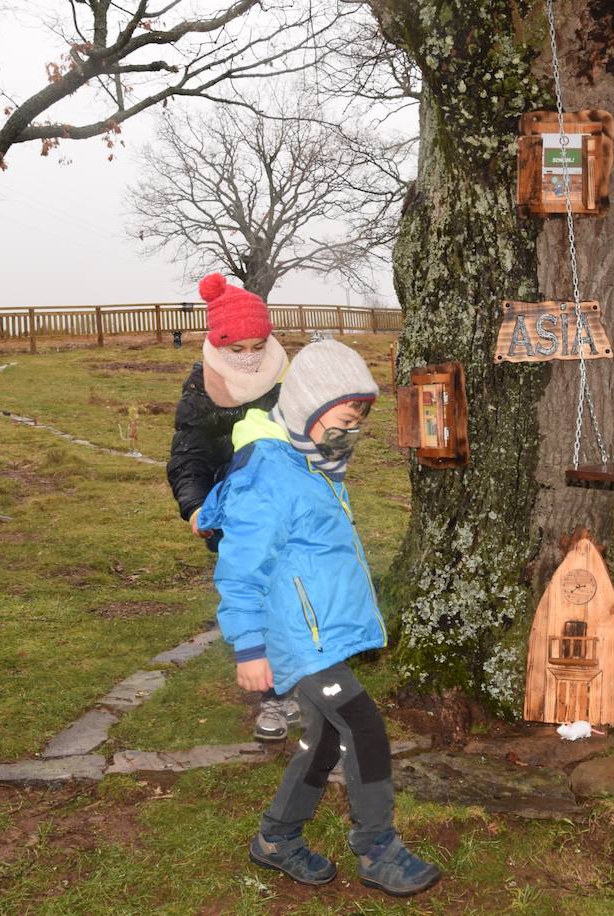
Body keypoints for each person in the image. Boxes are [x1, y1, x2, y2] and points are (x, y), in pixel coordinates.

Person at [196, 341, 442, 897]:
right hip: (294, 637)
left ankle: (277, 838)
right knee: (364, 726)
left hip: (318, 634)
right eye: (345, 418)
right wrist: (250, 647)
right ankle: (378, 848)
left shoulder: (312, 466)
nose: (351, 431)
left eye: (359, 421)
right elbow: (240, 571)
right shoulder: (270, 474)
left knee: (327, 738)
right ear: (307, 404)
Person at [166, 272, 298, 741]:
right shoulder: (202, 390)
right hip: (235, 515)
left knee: (291, 597)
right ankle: (274, 697)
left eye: (256, 346)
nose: (249, 357)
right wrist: (197, 507)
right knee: (255, 598)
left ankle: (290, 686)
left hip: (291, 512)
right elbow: (188, 456)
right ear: (217, 346)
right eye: (236, 349)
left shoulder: (290, 382)